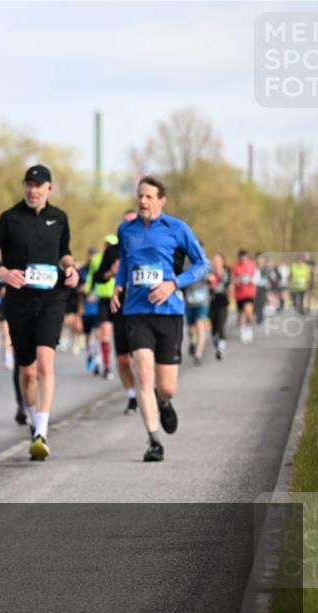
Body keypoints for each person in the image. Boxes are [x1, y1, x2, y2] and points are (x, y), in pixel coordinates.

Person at [0, 165, 79, 461]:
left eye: (38, 185)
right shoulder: (10, 218)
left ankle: (41, 432)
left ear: (49, 188)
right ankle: (33, 418)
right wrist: (3, 272)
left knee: (46, 364)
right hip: (19, 301)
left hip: (52, 298)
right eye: (28, 184)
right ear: (24, 187)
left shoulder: (59, 217)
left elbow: (64, 250)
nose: (33, 190)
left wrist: (70, 267)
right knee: (28, 370)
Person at [111, 176, 209, 462]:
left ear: (161, 200)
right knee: (142, 371)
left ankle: (164, 401)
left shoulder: (177, 229)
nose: (142, 201)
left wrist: (173, 284)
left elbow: (203, 264)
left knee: (167, 386)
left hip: (169, 313)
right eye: (140, 196)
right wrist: (119, 285)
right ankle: (154, 441)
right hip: (136, 311)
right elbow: (126, 264)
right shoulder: (126, 230)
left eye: (148, 196)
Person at [94, 211, 140, 413]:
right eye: (126, 223)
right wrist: (111, 272)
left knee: (141, 355)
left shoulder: (148, 246)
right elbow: (98, 277)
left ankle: (147, 389)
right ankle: (131, 395)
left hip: (140, 306)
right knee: (123, 358)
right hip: (118, 305)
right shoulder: (113, 251)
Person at [86, 236, 119, 380]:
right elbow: (91, 278)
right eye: (107, 245)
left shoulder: (122, 257)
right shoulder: (97, 259)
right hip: (104, 300)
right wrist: (90, 292)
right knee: (104, 334)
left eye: (111, 245)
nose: (108, 247)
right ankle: (107, 366)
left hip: (120, 298)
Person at [184, 257, 212, 365]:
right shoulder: (185, 265)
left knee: (200, 325)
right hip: (190, 303)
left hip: (203, 303)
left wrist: (210, 278)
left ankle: (198, 354)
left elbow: (213, 278)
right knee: (190, 330)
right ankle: (192, 342)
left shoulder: (205, 264)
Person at [208, 253, 231, 361]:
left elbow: (229, 285)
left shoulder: (227, 271)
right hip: (210, 303)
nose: (216, 262)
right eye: (214, 260)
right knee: (213, 328)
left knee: (221, 326)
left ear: (222, 261)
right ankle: (217, 344)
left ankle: (221, 349)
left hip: (223, 302)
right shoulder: (208, 272)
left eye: (218, 260)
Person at [232, 250, 257, 344]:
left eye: (244, 257)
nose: (243, 259)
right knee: (241, 314)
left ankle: (249, 329)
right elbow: (233, 279)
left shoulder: (252, 265)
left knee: (248, 310)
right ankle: (243, 332)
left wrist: (251, 280)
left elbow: (256, 277)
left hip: (249, 293)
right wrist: (237, 281)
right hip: (239, 294)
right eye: (241, 257)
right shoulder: (236, 267)